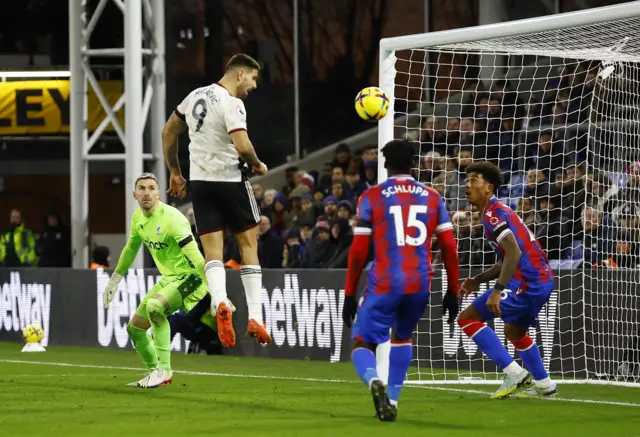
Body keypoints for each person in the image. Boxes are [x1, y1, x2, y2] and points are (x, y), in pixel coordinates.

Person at [342, 140, 460, 421]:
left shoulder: (371, 196)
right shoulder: (433, 196)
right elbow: (449, 246)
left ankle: (374, 382)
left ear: (384, 164)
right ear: (414, 163)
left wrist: (349, 292)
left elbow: (359, 252)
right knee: (403, 337)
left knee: (361, 343)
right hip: (420, 281)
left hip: (386, 281)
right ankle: (392, 400)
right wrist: (453, 290)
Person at [161, 53, 271, 348]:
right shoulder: (232, 103)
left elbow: (168, 131)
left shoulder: (194, 96)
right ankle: (256, 317)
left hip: (200, 183)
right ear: (239, 74)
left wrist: (175, 172)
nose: (254, 85)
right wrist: (257, 163)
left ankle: (219, 301)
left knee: (213, 250)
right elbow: (241, 143)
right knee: (249, 245)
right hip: (231, 181)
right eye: (253, 77)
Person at [102, 173, 215, 388]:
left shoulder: (172, 219)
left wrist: (216, 291)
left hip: (191, 277)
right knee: (135, 328)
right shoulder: (138, 217)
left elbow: (196, 257)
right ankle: (155, 372)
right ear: (134, 194)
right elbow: (131, 248)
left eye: (152, 188)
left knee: (155, 307)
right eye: (142, 188)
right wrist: (115, 279)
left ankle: (164, 370)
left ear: (159, 193)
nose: (147, 192)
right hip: (170, 279)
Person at [458, 161, 557, 399]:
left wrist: (496, 290)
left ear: (489, 188)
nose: (467, 186)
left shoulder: (493, 214)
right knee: (514, 331)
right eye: (466, 182)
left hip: (528, 282)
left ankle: (513, 372)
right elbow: (507, 259)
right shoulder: (494, 212)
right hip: (539, 280)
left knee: (468, 318)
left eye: (474, 181)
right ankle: (545, 385)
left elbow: (514, 254)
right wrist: (478, 280)